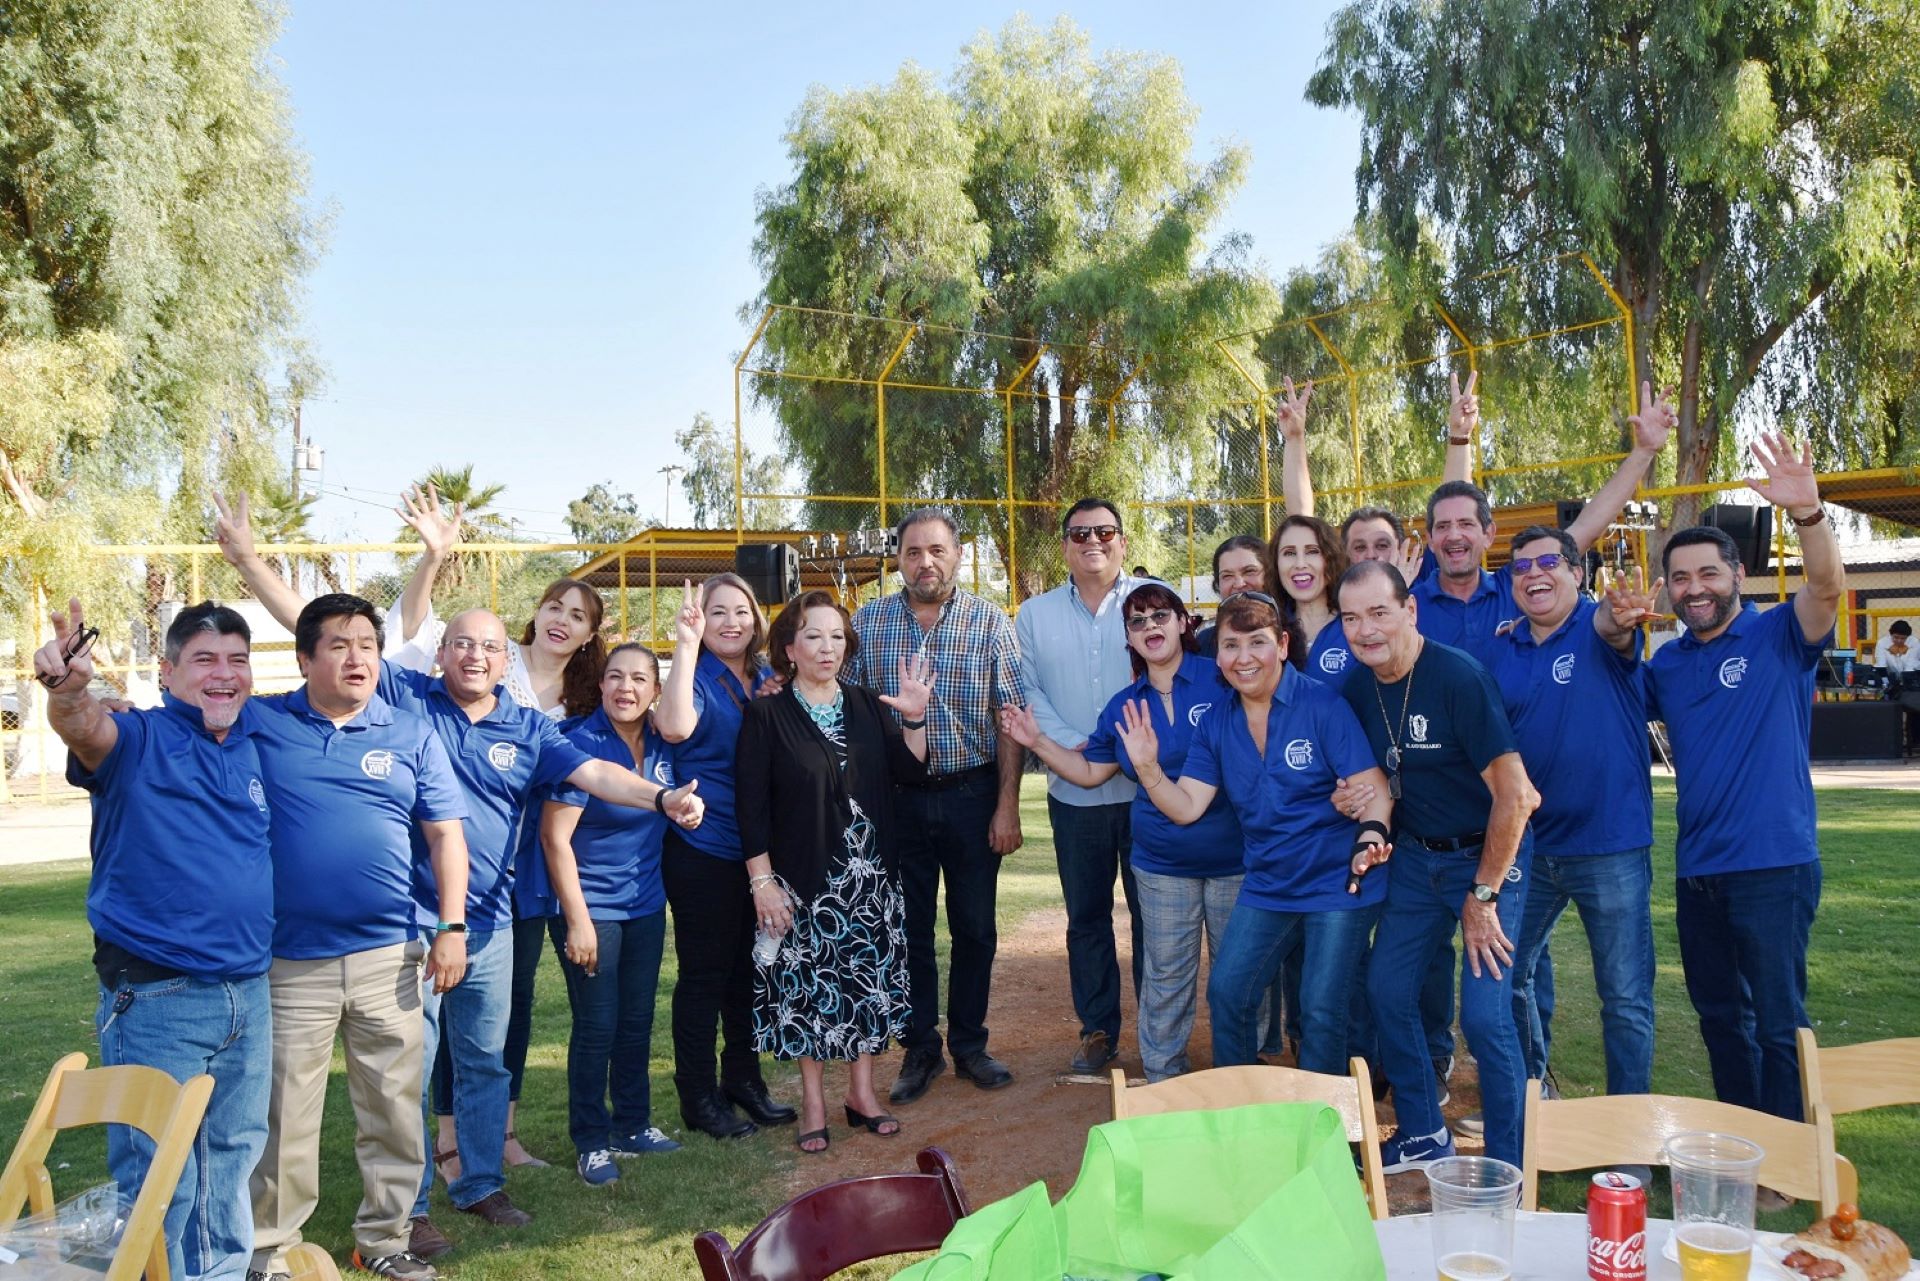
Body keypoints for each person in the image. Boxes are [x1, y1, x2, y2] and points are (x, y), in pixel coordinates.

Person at [216, 497, 704, 1251]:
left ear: (505, 662)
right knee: (403, 1073)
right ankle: (407, 1206)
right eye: (462, 643)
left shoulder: (527, 725)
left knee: (483, 1058)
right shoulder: (407, 699)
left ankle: (479, 1181)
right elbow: (323, 631)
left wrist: (664, 796)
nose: (476, 655)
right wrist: (250, 564)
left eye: (488, 646)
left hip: (493, 921)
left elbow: (601, 772)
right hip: (409, 928)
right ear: (440, 654)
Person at [34, 600, 273, 1281]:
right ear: (167, 673)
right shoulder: (140, 738)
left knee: (229, 1162)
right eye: (203, 659)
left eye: (236, 659)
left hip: (248, 995)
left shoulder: (256, 737)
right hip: (159, 997)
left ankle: (221, 1273)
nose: (223, 674)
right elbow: (84, 728)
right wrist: (71, 688)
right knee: (157, 1176)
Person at [243, 594, 470, 1281]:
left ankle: (385, 1239)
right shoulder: (263, 722)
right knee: (285, 1116)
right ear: (304, 657)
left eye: (368, 644)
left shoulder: (410, 731)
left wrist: (451, 925)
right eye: (339, 645)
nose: (357, 657)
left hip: (390, 955)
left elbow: (444, 835)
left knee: (395, 1109)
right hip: (291, 961)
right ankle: (269, 1249)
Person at [388, 488, 608, 1172]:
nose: (563, 621)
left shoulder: (584, 697)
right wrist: (432, 557)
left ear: (589, 633)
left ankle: (500, 1138)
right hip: (460, 865)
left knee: (505, 1012)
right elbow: (413, 634)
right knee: (449, 1011)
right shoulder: (484, 663)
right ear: (534, 614)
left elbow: (596, 768)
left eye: (579, 615)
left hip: (531, 873)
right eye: (555, 607)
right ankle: (449, 1142)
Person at [1116, 592, 1396, 1077]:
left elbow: (1374, 790)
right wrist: (1147, 768)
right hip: (1269, 884)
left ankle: (1331, 1136)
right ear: (1216, 654)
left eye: (1257, 643)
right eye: (1229, 645)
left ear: (1283, 645)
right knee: (1228, 991)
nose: (1243, 658)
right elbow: (1186, 807)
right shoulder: (1218, 721)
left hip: (1338, 883)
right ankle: (1243, 1113)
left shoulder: (1322, 705)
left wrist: (1370, 839)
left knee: (1320, 1009)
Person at [1646, 434, 1843, 1121]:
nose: (1694, 587)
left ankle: (1789, 1158)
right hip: (1697, 869)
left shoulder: (1779, 635)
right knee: (1719, 1018)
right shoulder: (1665, 666)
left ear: (1738, 574)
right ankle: (1744, 1146)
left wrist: (1809, 513)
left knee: (1777, 1020)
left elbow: (1826, 586)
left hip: (1773, 864)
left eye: (1707, 573)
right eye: (1679, 577)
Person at [1460, 528, 1663, 1141]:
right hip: (1527, 847)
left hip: (1610, 844)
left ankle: (1627, 1129)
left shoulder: (1600, 628)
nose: (1534, 574)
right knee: (1508, 978)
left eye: (1550, 562)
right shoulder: (1502, 647)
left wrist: (1621, 619)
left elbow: (1613, 628)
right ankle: (1533, 1095)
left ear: (1579, 572)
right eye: (1520, 566)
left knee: (1624, 998)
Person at [1337, 561, 1539, 1171]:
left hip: (1489, 857)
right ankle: (1424, 1130)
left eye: (1378, 612)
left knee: (1483, 1015)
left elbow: (1518, 796)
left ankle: (1510, 1162)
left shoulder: (1457, 677)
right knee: (1386, 988)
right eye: (1351, 617)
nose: (1365, 630)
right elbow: (1369, 781)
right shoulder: (1357, 687)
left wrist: (1483, 896)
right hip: (1418, 857)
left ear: (1410, 611)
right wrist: (1349, 799)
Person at [1000, 583, 1242, 1082]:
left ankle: (1241, 1069)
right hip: (1162, 860)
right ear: (1128, 640)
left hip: (1233, 855)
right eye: (1137, 621)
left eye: (1160, 616)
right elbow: (1090, 772)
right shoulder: (1125, 705)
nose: (1150, 626)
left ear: (1182, 623)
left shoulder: (1222, 682)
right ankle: (1164, 1073)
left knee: (1235, 974)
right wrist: (1036, 741)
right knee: (1167, 973)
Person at [736, 592, 933, 1153]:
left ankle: (863, 1095)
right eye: (814, 636)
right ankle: (815, 1103)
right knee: (811, 991)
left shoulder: (867, 705)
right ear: (790, 648)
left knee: (868, 986)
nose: (827, 647)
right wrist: (762, 882)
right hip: (804, 879)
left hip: (871, 877)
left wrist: (915, 717)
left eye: (837, 637)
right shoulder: (765, 714)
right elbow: (751, 809)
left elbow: (909, 769)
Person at [846, 508, 1026, 1105]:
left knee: (975, 928)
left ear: (956, 555)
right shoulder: (868, 623)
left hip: (973, 795)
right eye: (914, 551)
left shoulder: (991, 623)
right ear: (898, 558)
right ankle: (920, 1048)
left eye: (938, 550)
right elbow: (839, 704)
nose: (926, 562)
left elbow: (1009, 720)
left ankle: (970, 1044)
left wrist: (1007, 806)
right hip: (896, 802)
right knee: (909, 932)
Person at [655, 572, 797, 1139]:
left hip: (758, 851)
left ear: (757, 619)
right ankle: (698, 1095)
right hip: (704, 849)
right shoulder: (694, 674)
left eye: (741, 611)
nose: (731, 622)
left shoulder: (765, 677)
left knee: (750, 976)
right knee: (704, 978)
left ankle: (744, 1079)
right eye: (717, 612)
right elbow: (673, 725)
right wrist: (685, 646)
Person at [542, 645, 689, 1186]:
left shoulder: (665, 743)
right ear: (600, 685)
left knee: (635, 1020)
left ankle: (633, 1124)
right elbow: (554, 840)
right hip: (592, 907)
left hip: (645, 904)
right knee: (597, 1024)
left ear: (655, 689)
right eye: (616, 677)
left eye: (640, 679)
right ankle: (591, 1140)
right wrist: (578, 921)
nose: (626, 688)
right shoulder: (578, 743)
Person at [1015, 496, 1149, 1075]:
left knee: (1156, 919)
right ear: (1064, 545)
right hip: (1075, 795)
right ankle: (1098, 1030)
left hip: (1151, 795)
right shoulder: (1034, 615)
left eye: (1105, 531)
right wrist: (1079, 746)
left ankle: (1160, 1033)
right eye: (1079, 533)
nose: (1092, 541)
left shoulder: (1152, 603)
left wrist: (1114, 751)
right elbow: (1028, 689)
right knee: (1087, 918)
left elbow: (1166, 675)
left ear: (1123, 540)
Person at [1192, 535, 1266, 658]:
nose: (1239, 584)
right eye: (1227, 576)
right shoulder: (1205, 643)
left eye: (1249, 571)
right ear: (1217, 585)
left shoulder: (1295, 634)